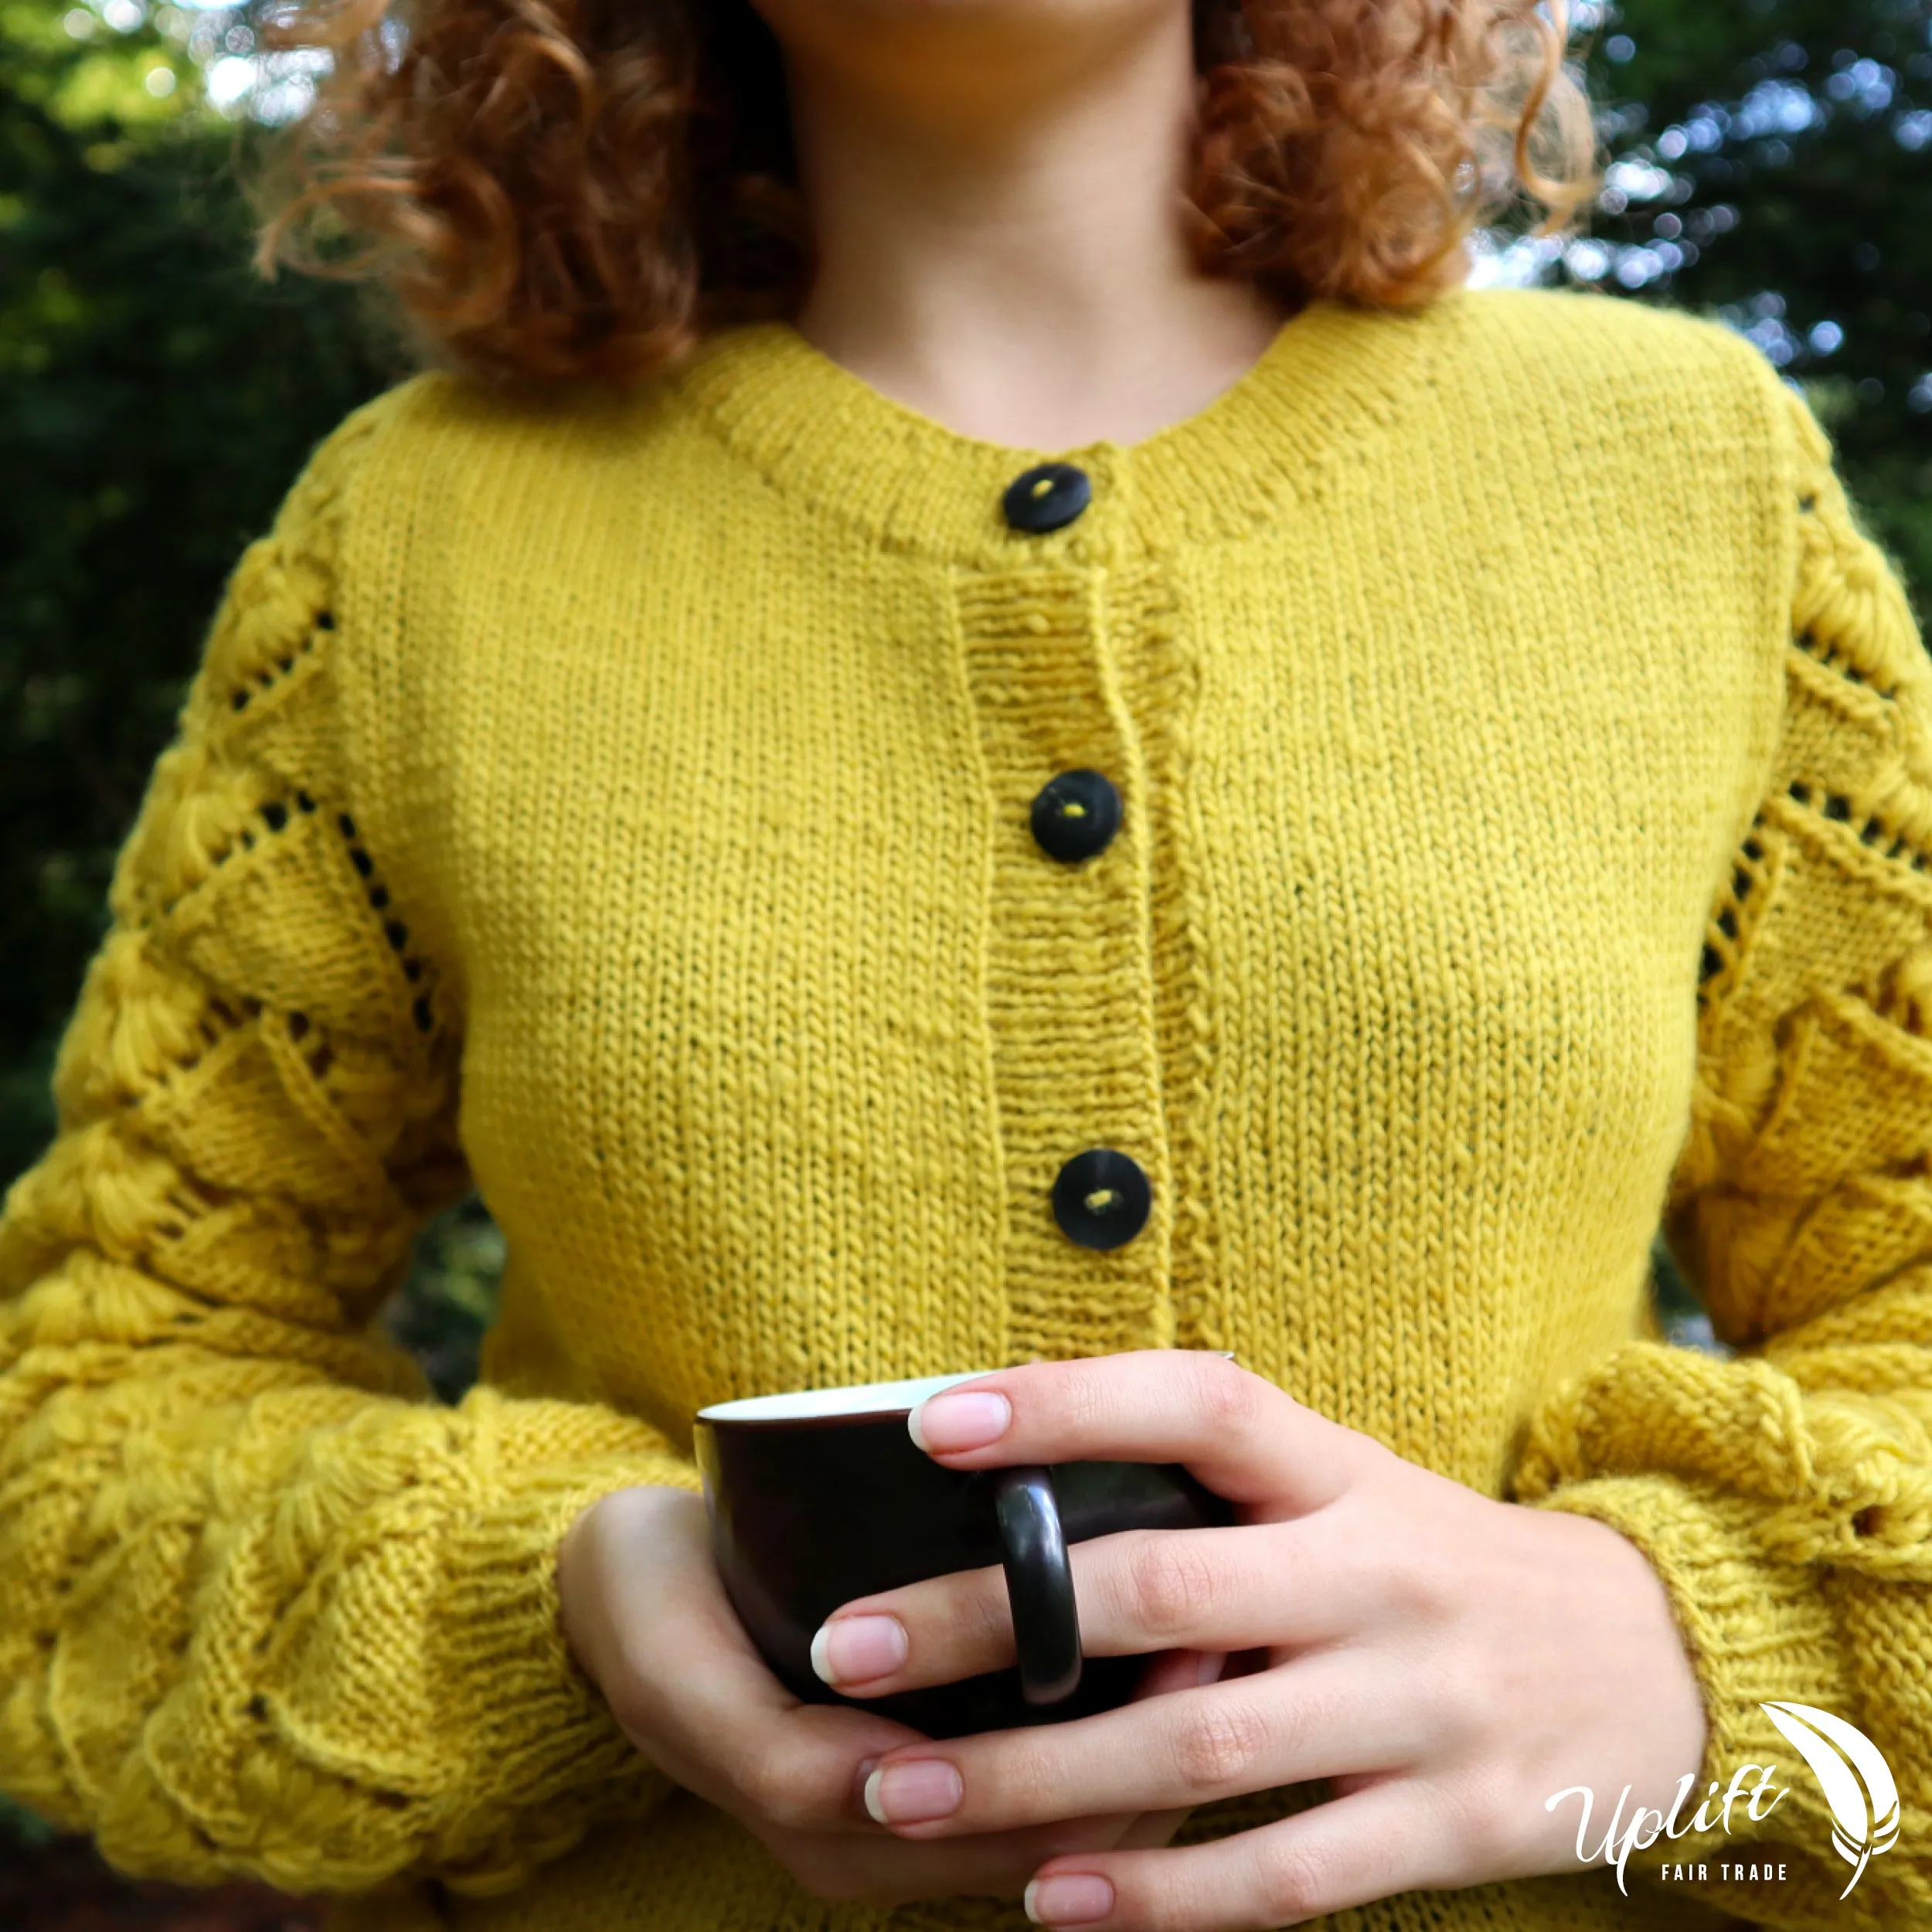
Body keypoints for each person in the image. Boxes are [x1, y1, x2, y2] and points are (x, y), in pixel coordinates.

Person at [0, 0, 1927, 1924]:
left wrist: (1697, 1647)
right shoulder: (413, 540)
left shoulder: (1680, 480)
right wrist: (551, 1603)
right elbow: (77, 1444)